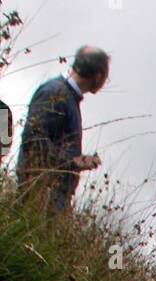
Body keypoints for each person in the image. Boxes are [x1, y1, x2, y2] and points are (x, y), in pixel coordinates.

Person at [16, 46, 110, 212]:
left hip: (50, 196)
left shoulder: (65, 96)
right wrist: (74, 163)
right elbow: (33, 143)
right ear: (98, 76)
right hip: (41, 196)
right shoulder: (55, 93)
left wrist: (75, 162)